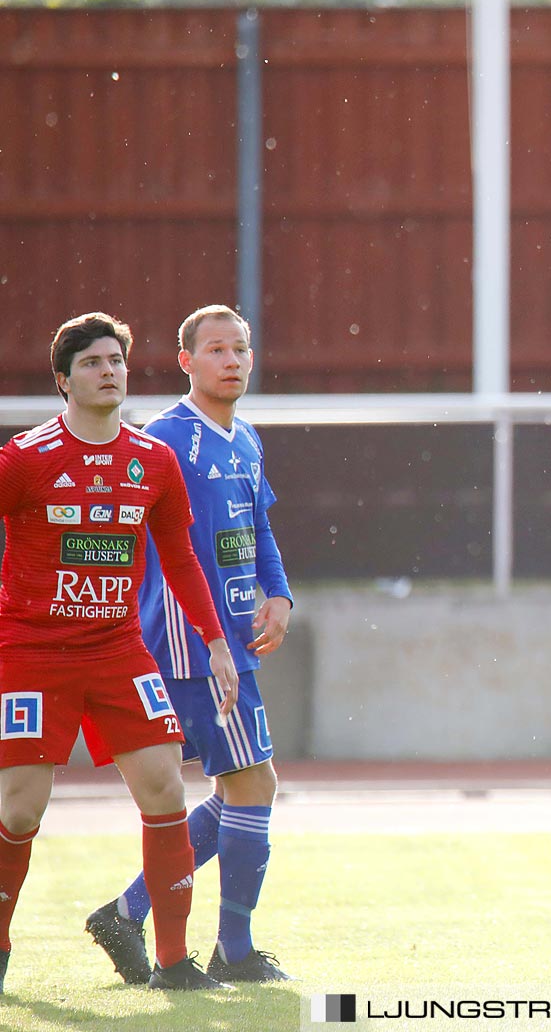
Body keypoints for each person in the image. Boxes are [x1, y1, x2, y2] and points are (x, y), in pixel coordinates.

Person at [0, 312, 240, 993]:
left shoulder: (153, 461)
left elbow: (183, 561)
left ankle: (172, 964)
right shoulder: (26, 459)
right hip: (34, 652)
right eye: (93, 363)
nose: (109, 371)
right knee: (20, 808)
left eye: (116, 361)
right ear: (63, 381)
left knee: (166, 785)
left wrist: (215, 640)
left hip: (118, 650)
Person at [87, 305, 295, 986]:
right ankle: (231, 950)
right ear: (186, 362)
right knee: (248, 783)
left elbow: (257, 530)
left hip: (234, 639)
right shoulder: (167, 439)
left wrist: (279, 595)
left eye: (241, 348)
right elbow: (150, 545)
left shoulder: (245, 437)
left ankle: (128, 911)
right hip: (188, 643)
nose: (232, 360)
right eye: (216, 350)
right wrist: (207, 638)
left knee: (244, 784)